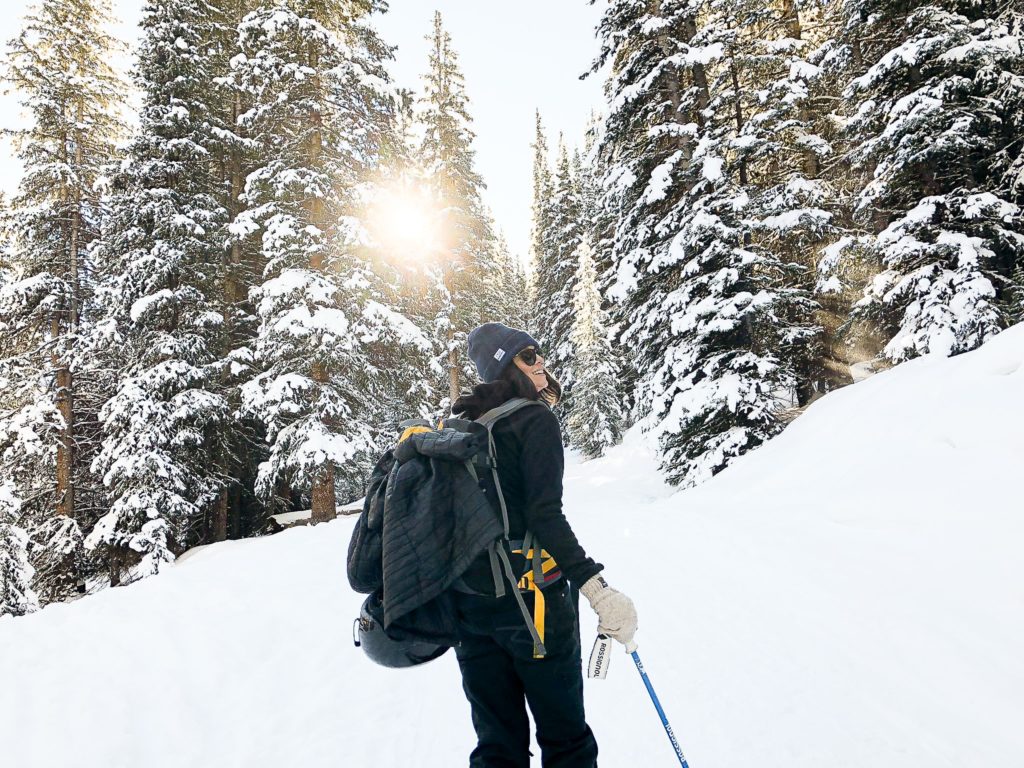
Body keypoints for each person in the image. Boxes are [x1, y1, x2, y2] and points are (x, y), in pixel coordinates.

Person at [450, 321, 638, 768]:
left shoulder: (458, 425)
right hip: (534, 605)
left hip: (470, 610)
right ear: (508, 367)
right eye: (529, 356)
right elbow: (544, 515)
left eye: (539, 353)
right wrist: (597, 589)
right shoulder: (534, 419)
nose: (541, 363)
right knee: (566, 741)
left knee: (497, 745)